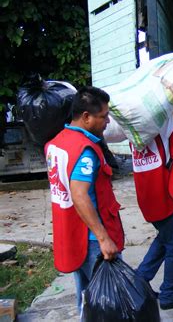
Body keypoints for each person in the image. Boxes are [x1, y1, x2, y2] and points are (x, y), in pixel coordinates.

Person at [44, 86, 124, 310]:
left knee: (86, 297)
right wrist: (103, 238)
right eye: (103, 116)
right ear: (86, 117)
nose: (107, 121)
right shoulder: (85, 149)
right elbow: (79, 194)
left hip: (72, 234)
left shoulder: (57, 142)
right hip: (91, 239)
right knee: (110, 302)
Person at [132, 49, 173, 310]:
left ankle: (139, 280)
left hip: (146, 194)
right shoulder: (164, 122)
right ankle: (170, 293)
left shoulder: (135, 126)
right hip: (163, 193)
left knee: (165, 238)